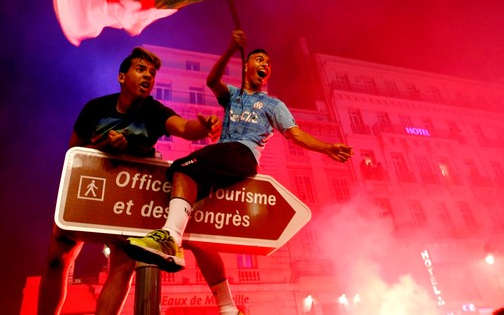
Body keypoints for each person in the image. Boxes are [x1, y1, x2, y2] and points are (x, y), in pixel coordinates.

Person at [124, 29, 354, 315]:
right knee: (199, 236)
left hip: (243, 155)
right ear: (247, 66)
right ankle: (228, 307)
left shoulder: (273, 104)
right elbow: (211, 81)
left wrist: (326, 147)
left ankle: (170, 236)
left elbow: (294, 134)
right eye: (259, 60)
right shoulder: (232, 96)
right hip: (225, 159)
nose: (265, 66)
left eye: (268, 64)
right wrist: (232, 48)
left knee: (181, 168)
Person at [37, 47, 221, 315]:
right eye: (140, 69)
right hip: (89, 193)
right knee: (57, 260)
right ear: (122, 77)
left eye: (152, 73)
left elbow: (183, 128)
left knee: (123, 268)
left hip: (129, 201)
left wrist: (203, 127)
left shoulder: (154, 111)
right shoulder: (96, 108)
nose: (148, 76)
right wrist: (103, 147)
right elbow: (73, 152)